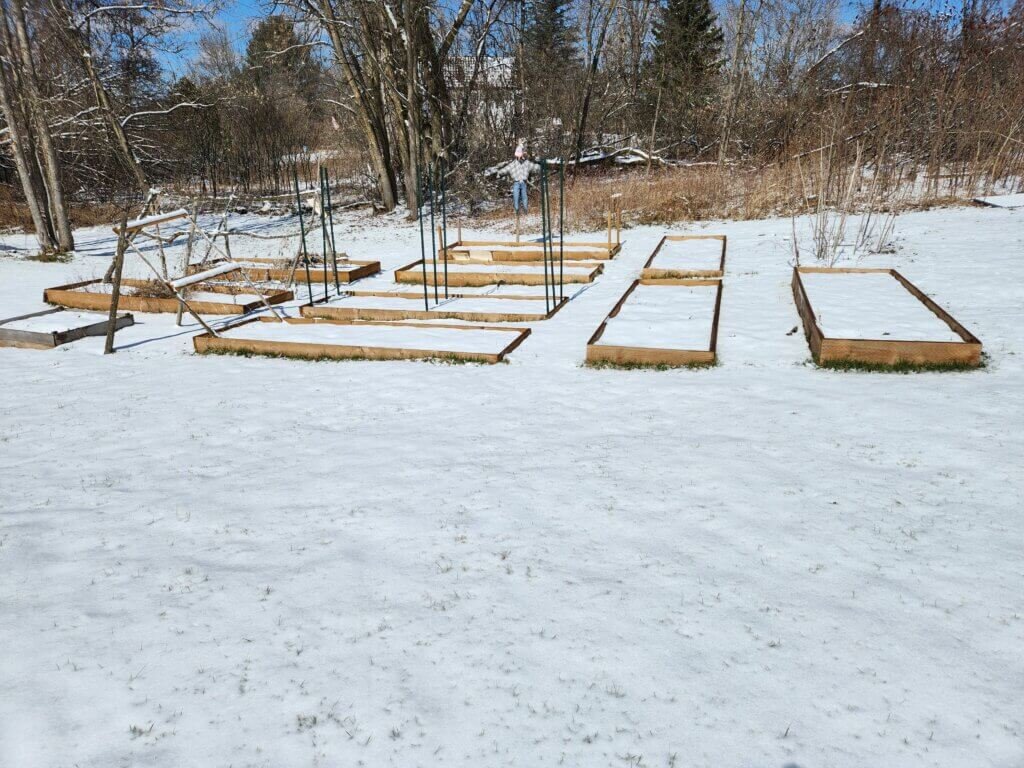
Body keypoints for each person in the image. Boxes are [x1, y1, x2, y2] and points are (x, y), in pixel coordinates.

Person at [503, 143, 540, 214]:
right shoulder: (514, 163)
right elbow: (506, 169)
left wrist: (541, 168)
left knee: (524, 196)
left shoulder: (525, 162)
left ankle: (525, 210)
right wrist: (499, 173)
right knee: (516, 197)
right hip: (516, 182)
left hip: (523, 182)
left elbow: (533, 166)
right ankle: (517, 210)